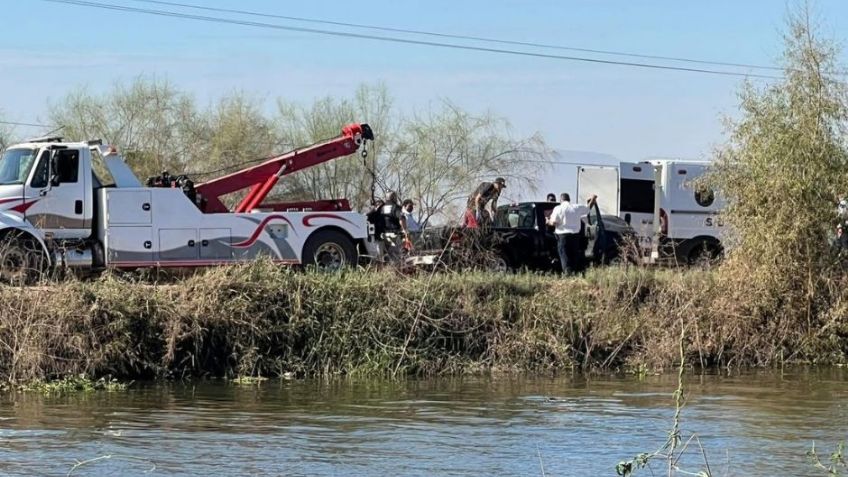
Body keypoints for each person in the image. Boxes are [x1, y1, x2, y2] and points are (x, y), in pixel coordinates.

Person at [546, 192, 597, 275]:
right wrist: (593, 199)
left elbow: (553, 222)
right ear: (569, 200)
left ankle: (568, 276)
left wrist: (547, 221)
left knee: (565, 258)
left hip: (563, 237)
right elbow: (588, 209)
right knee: (574, 257)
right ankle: (574, 274)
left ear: (561, 200)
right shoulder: (576, 207)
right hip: (575, 237)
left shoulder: (558, 208)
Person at [378, 191, 408, 264]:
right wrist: (405, 230)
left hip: (383, 235)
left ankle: (388, 268)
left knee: (387, 255)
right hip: (394, 235)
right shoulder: (396, 207)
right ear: (394, 198)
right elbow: (401, 218)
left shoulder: (381, 208)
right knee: (397, 256)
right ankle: (397, 268)